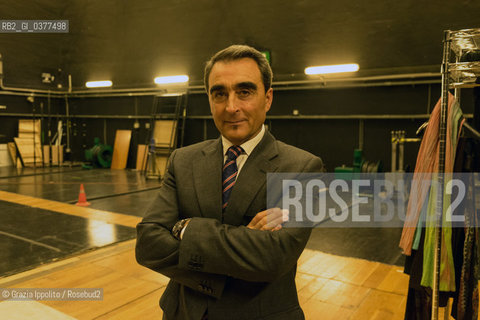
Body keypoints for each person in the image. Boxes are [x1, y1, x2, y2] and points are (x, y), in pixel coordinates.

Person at [136, 44, 324, 320]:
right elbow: (148, 243)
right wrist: (244, 242)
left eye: (244, 92)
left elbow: (273, 258)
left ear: (268, 98)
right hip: (183, 312)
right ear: (209, 99)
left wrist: (186, 229)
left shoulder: (302, 168)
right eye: (219, 94)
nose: (231, 106)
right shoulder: (183, 160)